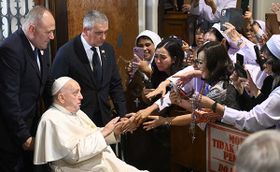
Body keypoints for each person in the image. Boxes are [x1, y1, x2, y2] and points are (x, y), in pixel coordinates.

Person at [33, 77, 147, 172]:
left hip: (97, 163)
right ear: (61, 98)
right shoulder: (51, 119)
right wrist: (104, 132)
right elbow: (73, 155)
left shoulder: (76, 112)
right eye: (75, 93)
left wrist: (116, 130)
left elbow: (91, 134)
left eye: (80, 92)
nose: (81, 96)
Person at [0, 6, 55, 172]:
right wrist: (24, 136)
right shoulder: (10, 50)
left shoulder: (40, 44)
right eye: (48, 32)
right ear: (32, 29)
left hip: (32, 125)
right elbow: (9, 100)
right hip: (11, 136)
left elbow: (46, 82)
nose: (52, 37)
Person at [51, 10, 127, 127]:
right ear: (86, 31)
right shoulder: (66, 52)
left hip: (105, 118)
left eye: (105, 32)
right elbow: (56, 88)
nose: (103, 37)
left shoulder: (108, 50)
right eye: (99, 33)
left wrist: (123, 115)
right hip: (78, 120)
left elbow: (115, 84)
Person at [194, 35, 280, 132]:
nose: (263, 65)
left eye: (266, 60)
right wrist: (242, 90)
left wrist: (215, 107)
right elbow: (253, 109)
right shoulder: (270, 80)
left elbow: (254, 120)